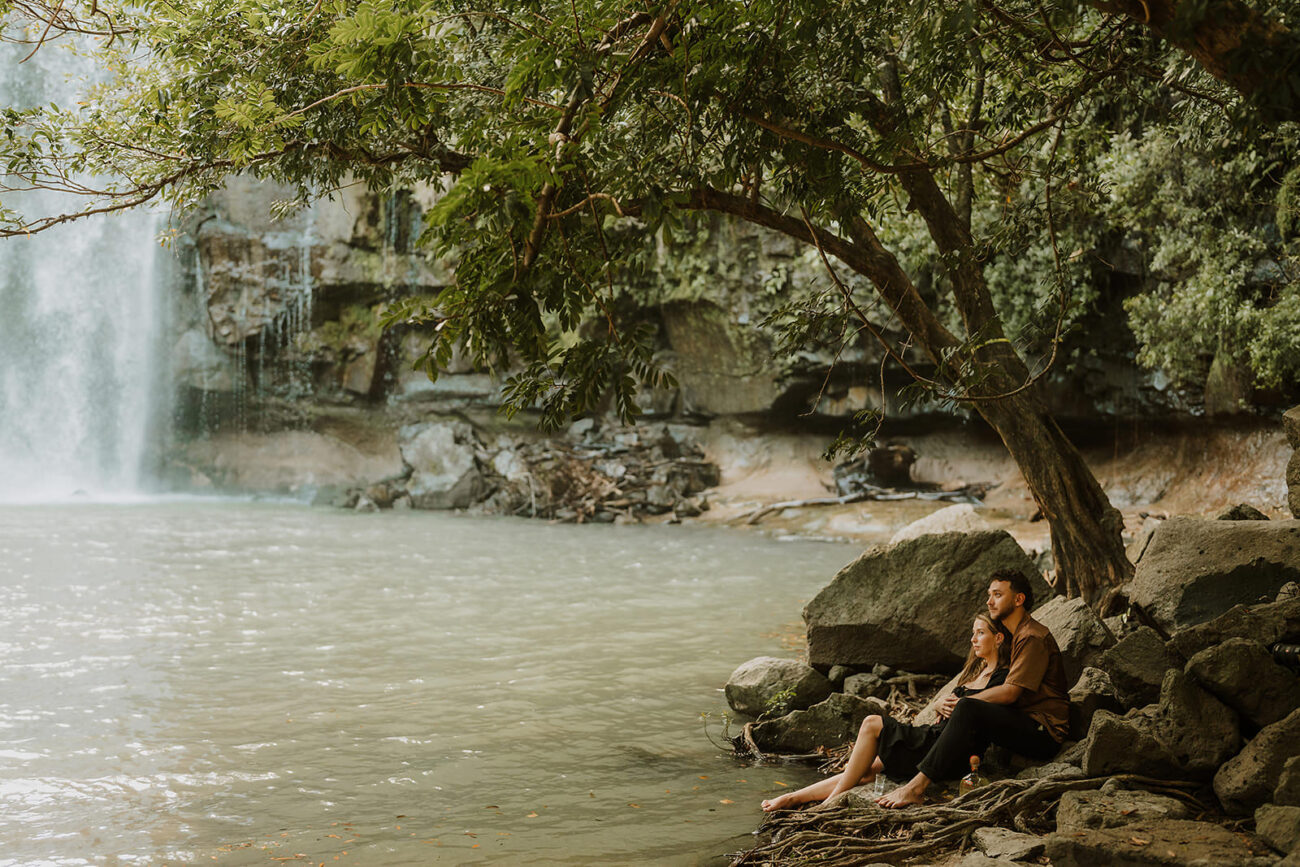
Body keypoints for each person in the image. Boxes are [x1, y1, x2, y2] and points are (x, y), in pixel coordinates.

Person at [760, 612, 1012, 812]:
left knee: (871, 723)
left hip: (946, 750)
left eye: (980, 633)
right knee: (865, 770)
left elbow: (981, 716)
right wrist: (937, 704)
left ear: (998, 638)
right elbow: (948, 705)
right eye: (973, 633)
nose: (973, 639)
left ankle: (831, 802)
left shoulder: (1001, 678)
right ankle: (793, 797)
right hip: (930, 738)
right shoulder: (975, 671)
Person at [876, 570, 1070, 809]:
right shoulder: (1013, 635)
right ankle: (916, 764)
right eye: (989, 595)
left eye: (997, 595)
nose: (989, 601)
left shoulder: (1031, 636)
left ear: (1018, 600)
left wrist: (963, 703)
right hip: (1022, 719)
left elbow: (1010, 692)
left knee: (968, 706)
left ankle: (916, 787)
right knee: (965, 709)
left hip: (1044, 732)